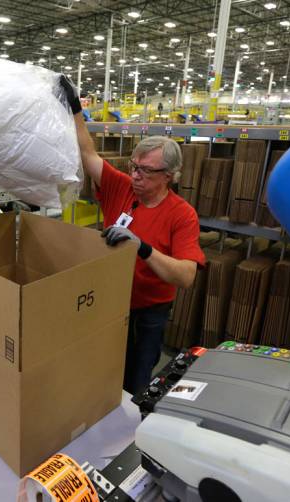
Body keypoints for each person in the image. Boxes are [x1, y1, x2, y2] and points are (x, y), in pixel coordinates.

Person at [60, 77, 206, 395]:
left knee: (137, 382)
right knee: (104, 373)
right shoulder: (122, 187)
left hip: (148, 314)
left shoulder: (182, 215)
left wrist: (143, 248)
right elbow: (87, 153)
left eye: (145, 171)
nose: (135, 175)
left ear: (169, 176)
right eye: (134, 166)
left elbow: (186, 276)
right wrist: (73, 106)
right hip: (110, 301)